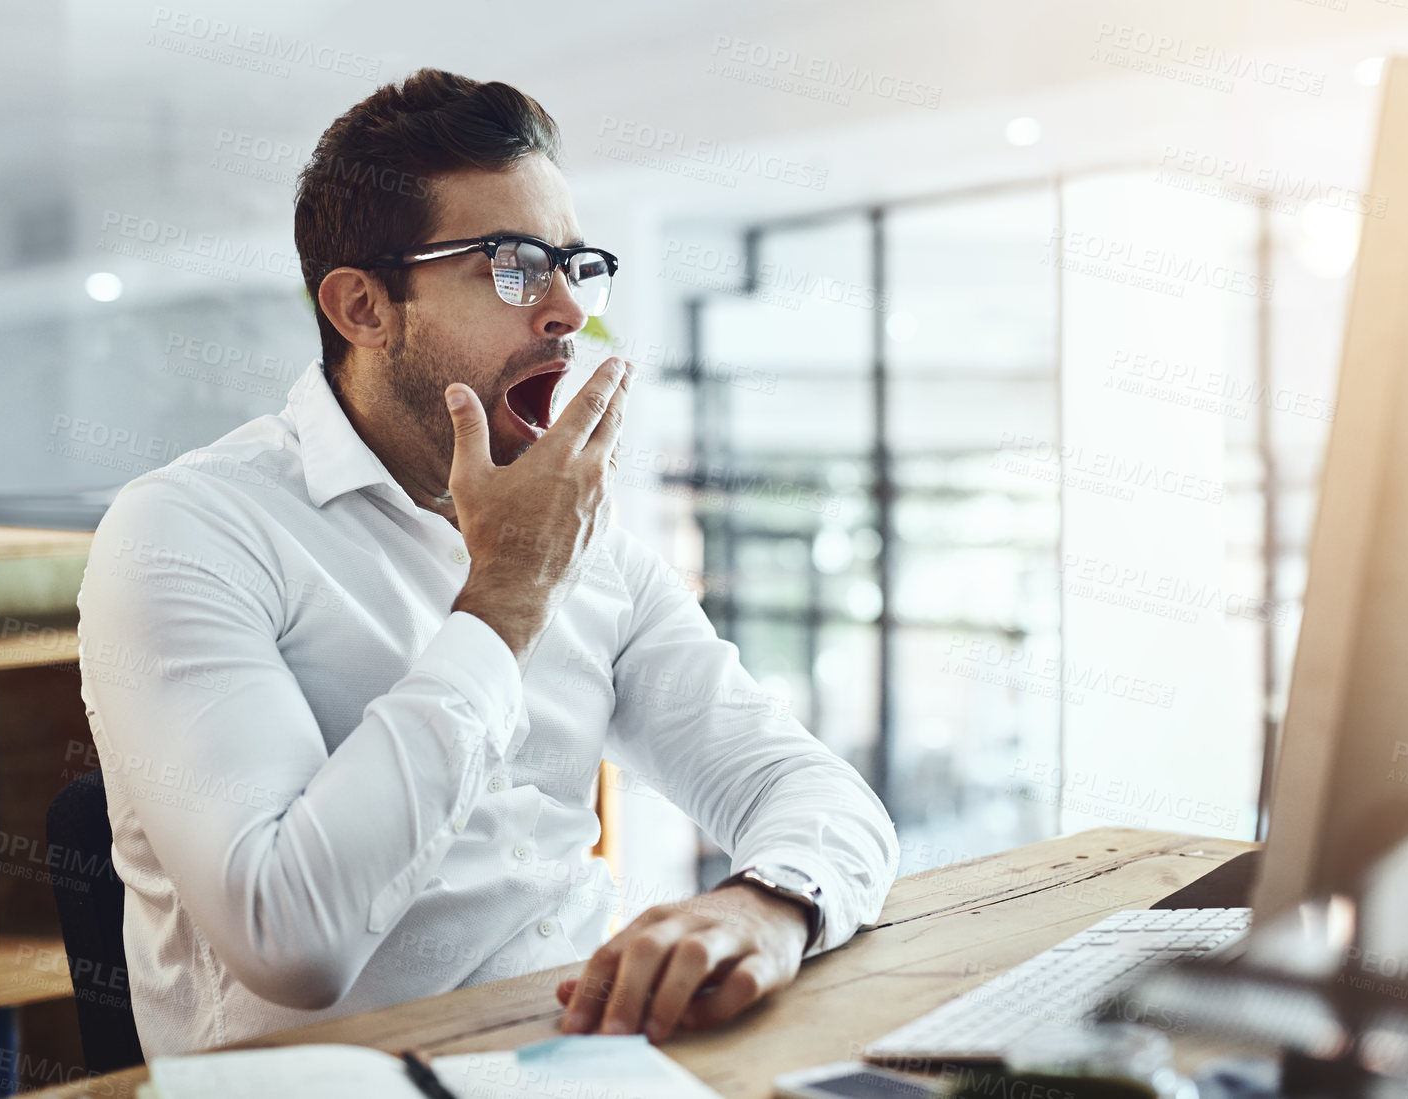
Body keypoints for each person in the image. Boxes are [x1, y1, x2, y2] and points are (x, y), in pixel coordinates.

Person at [77, 67, 898, 1059]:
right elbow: (287, 940)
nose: (565, 311)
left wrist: (765, 905)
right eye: (511, 265)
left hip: (585, 1065)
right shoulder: (191, 529)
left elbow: (811, 793)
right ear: (362, 308)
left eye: (572, 264)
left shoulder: (590, 548)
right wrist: (502, 601)